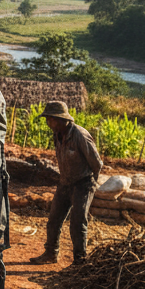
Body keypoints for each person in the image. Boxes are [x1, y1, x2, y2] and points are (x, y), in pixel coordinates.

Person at [28, 101, 103, 266]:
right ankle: (50, 254)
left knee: (78, 222)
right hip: (65, 182)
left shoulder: (80, 136)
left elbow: (97, 164)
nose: (48, 123)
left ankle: (79, 261)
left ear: (61, 119)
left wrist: (90, 185)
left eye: (50, 119)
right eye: (47, 119)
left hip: (83, 183)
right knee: (54, 219)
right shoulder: (57, 133)